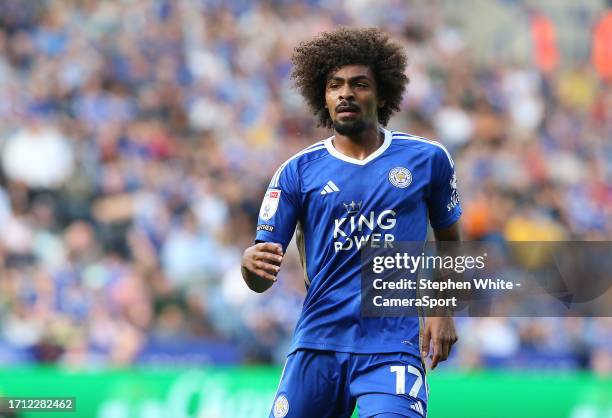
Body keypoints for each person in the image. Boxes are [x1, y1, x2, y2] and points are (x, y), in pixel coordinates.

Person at [241, 27, 461, 418]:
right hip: (319, 342)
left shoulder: (428, 160)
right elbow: (261, 276)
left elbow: (450, 241)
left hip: (393, 344)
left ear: (382, 93)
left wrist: (442, 309)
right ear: (322, 96)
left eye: (359, 84)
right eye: (334, 85)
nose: (345, 93)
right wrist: (249, 266)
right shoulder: (297, 172)